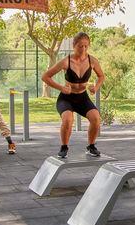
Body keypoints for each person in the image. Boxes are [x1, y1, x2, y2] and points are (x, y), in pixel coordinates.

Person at [42, 31, 105, 160]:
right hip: (66, 98)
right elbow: (45, 77)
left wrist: (96, 87)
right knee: (67, 119)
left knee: (96, 118)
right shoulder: (66, 61)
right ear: (74, 46)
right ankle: (64, 147)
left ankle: (91, 146)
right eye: (80, 46)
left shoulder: (92, 61)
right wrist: (61, 88)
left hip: (82, 98)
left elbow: (101, 76)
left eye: (86, 46)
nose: (83, 49)